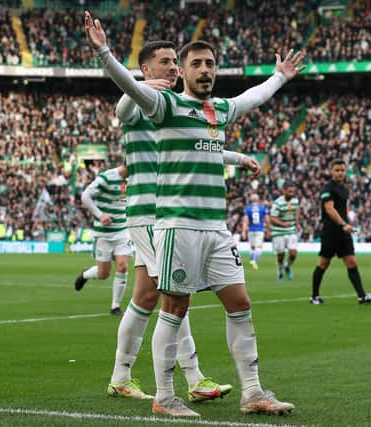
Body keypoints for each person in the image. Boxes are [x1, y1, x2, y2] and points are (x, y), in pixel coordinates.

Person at [86, 11, 303, 417]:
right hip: (176, 226)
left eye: (210, 64)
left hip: (216, 229)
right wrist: (102, 52)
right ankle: (165, 397)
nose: (204, 70)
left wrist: (281, 77)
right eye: (196, 64)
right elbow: (126, 89)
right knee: (173, 307)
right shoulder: (164, 104)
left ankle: (253, 392)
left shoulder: (219, 110)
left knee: (240, 303)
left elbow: (252, 97)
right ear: (183, 72)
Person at [108, 40, 257, 403]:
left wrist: (237, 159)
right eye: (166, 62)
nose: (174, 68)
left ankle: (121, 375)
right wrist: (138, 85)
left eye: (176, 62)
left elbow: (202, 146)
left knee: (146, 296)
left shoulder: (175, 108)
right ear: (146, 69)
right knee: (175, 293)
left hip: (161, 212)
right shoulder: (141, 105)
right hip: (151, 211)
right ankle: (192, 377)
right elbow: (121, 106)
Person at [311, 159, 371, 305]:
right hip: (331, 231)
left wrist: (347, 223)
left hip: (343, 231)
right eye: (337, 170)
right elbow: (329, 209)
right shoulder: (327, 188)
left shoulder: (344, 188)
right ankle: (314, 296)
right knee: (323, 263)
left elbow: (342, 209)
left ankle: (362, 296)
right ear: (331, 171)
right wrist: (343, 223)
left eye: (342, 170)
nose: (340, 173)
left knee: (351, 261)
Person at [74, 165, 131, 316]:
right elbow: (85, 196)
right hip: (104, 233)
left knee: (123, 266)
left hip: (123, 231)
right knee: (103, 274)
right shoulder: (107, 177)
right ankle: (86, 274)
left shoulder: (133, 179)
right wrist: (100, 215)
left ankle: (115, 306)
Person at [269, 182, 300, 281]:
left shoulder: (295, 201)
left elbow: (297, 211)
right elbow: (272, 218)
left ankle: (287, 266)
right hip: (278, 232)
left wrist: (297, 223)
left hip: (291, 230)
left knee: (293, 254)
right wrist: (283, 224)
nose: (292, 193)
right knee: (281, 255)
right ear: (284, 191)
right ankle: (280, 273)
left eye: (293, 192)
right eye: (290, 191)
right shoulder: (277, 203)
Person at [241, 193, 270, 270]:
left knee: (252, 247)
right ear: (258, 199)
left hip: (251, 230)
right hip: (260, 230)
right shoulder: (262, 208)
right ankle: (254, 260)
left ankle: (252, 260)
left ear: (251, 200)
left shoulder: (248, 209)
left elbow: (245, 221)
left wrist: (243, 231)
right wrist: (268, 230)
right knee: (259, 247)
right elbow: (267, 220)